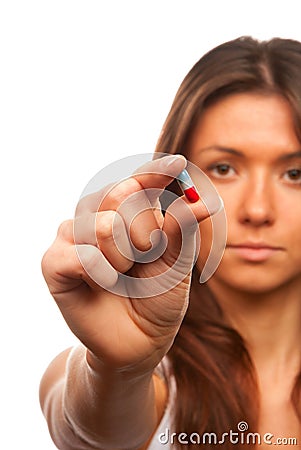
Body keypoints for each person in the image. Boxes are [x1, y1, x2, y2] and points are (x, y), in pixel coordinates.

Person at [40, 36, 301, 449]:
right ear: (175, 183)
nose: (257, 210)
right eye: (224, 167)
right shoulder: (147, 377)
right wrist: (119, 370)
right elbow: (86, 429)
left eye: (295, 174)